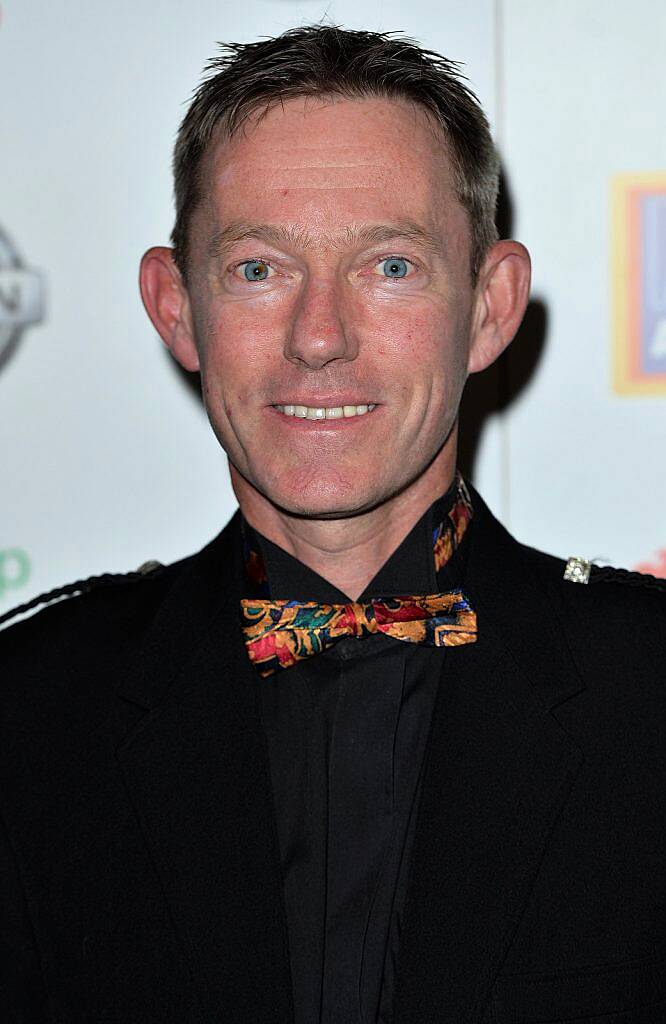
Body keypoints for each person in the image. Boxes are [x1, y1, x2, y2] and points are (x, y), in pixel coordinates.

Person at [1, 24, 664, 1024]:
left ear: (490, 307)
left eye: (388, 267)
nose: (320, 338)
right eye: (259, 269)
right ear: (175, 307)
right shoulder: (29, 719)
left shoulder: (651, 702)